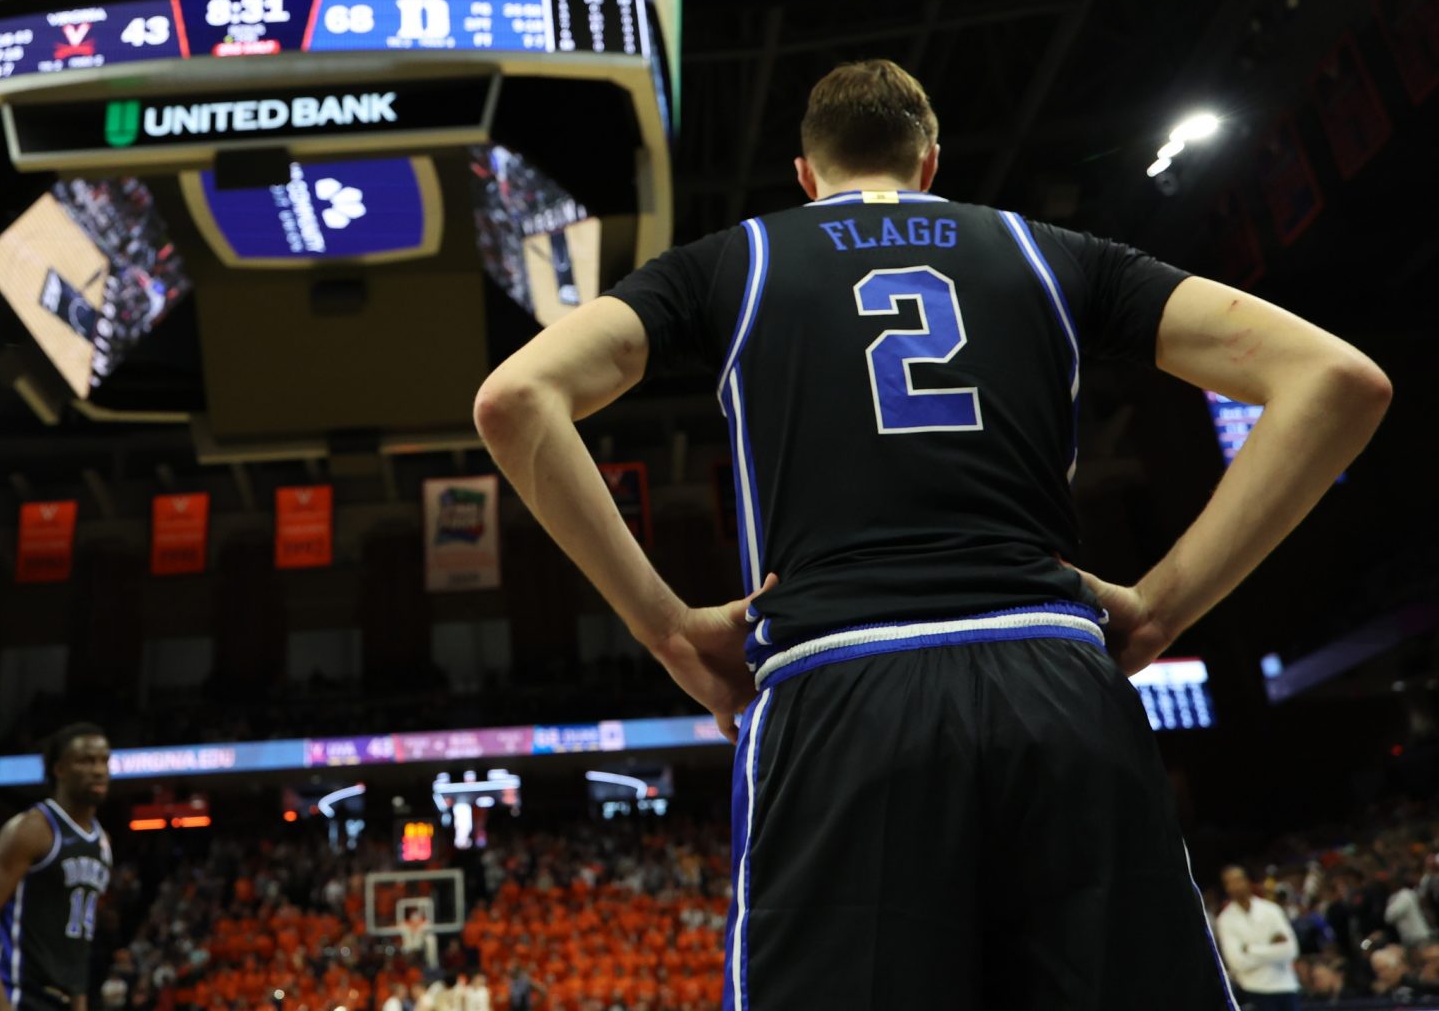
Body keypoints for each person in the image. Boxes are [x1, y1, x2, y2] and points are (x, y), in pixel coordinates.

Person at [472, 58, 1392, 1009]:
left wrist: (665, 628)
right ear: (930, 162)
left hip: (840, 685)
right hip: (1058, 686)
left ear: (803, 174)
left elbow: (514, 400)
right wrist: (1161, 607)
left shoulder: (733, 259)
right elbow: (1341, 382)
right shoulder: (1052, 252)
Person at [0, 722, 115, 1011]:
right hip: (17, 994)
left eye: (104, 760)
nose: (99, 769)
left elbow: (77, 941)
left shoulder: (102, 843)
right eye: (86, 760)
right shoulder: (34, 829)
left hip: (62, 1000)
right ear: (59, 770)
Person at [1216, 865, 1301, 1009]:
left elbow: (1291, 950)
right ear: (1226, 887)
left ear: (1247, 881)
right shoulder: (1225, 920)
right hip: (1254, 989)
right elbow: (1236, 963)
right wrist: (1272, 948)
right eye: (1230, 882)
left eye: (1239, 880)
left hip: (1286, 986)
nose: (1236, 885)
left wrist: (1249, 949)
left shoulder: (1271, 910)